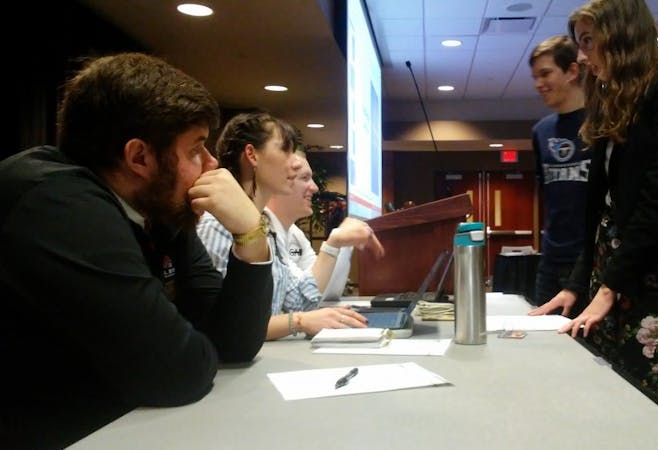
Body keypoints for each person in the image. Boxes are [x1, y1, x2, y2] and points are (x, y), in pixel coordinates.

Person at [0, 53, 273, 449]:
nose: (213, 164)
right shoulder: (56, 203)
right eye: (197, 149)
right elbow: (177, 372)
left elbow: (233, 345)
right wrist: (190, 341)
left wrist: (251, 233)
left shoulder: (157, 211)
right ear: (139, 157)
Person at [531, 0, 658, 400]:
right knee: (601, 380)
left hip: (649, 267)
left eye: (590, 41)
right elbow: (602, 212)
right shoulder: (615, 100)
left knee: (638, 388)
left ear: (622, 35)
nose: (582, 55)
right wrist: (579, 283)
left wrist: (610, 287)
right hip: (609, 263)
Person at [197, 113, 380, 340]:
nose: (295, 162)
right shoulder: (217, 224)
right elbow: (227, 326)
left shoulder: (268, 226)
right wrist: (298, 321)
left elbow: (299, 301)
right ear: (252, 155)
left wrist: (334, 243)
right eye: (285, 150)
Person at [527, 35, 591, 314]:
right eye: (535, 76)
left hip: (591, 262)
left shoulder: (603, 124)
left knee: (590, 353)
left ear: (572, 71)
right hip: (551, 261)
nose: (538, 84)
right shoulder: (541, 131)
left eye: (545, 73)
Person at [265, 152, 384, 301]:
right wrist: (335, 242)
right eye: (304, 178)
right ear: (276, 182)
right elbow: (306, 299)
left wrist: (343, 242)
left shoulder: (294, 233)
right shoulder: (259, 231)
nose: (315, 188)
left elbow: (322, 291)